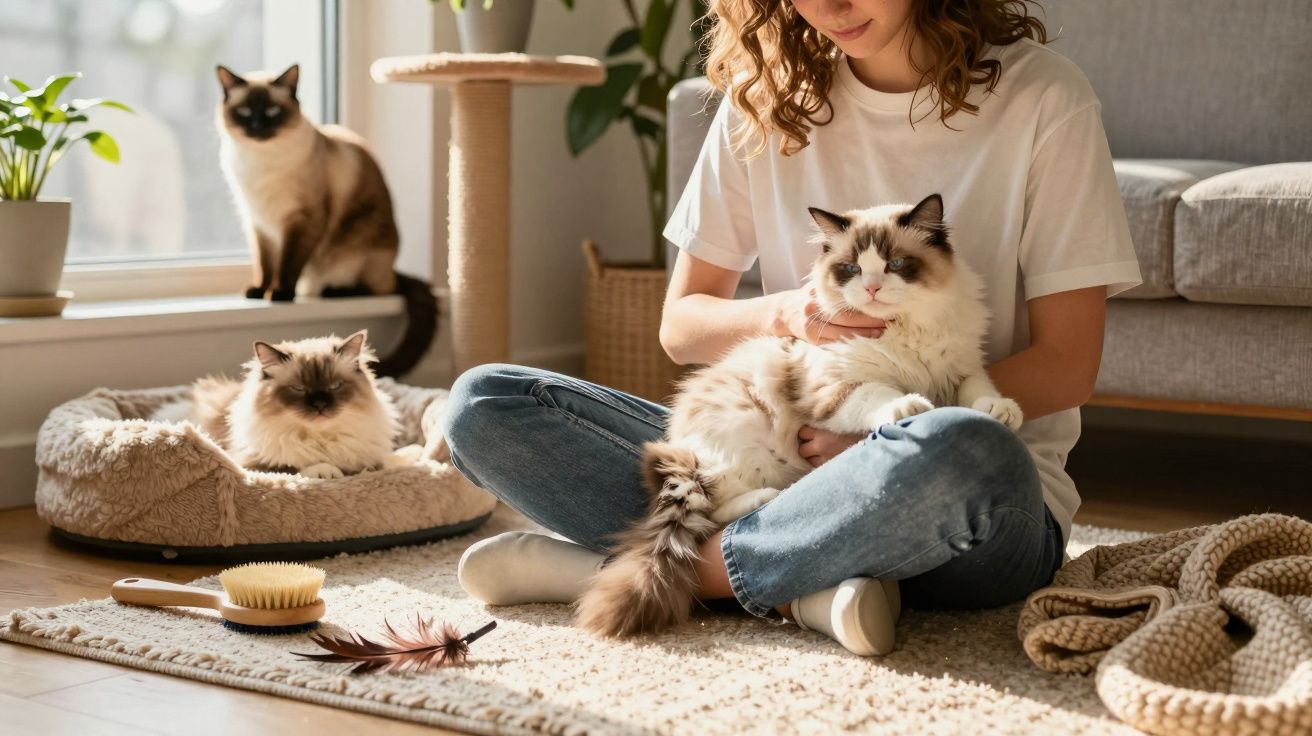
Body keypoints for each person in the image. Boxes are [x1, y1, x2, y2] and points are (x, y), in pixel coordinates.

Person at [445, 0, 1142, 656]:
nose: (833, 7)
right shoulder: (765, 98)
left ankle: (669, 573)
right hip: (785, 454)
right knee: (483, 405)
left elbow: (1068, 363)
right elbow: (683, 325)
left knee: (964, 448)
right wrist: (789, 314)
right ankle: (804, 585)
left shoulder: (1044, 96)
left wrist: (874, 442)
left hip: (960, 502)